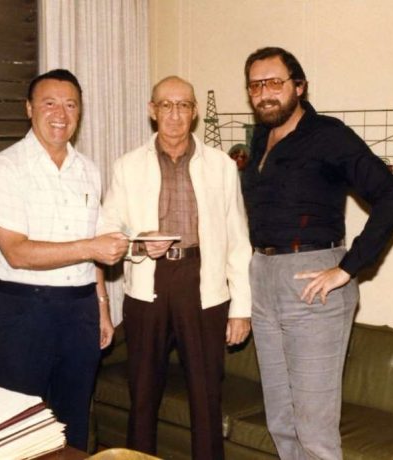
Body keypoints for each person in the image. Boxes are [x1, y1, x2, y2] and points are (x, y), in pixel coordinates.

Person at [241, 47, 393, 460]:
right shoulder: (261, 137)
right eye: (255, 85)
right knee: (281, 422)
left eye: (275, 83)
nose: (265, 93)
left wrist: (346, 269)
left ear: (299, 86)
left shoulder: (329, 135)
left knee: (314, 433)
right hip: (263, 281)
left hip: (312, 284)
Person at [99, 75, 252, 460]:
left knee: (206, 395)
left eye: (183, 105)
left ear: (195, 112)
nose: (174, 114)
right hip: (147, 285)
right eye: (166, 105)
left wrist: (242, 308)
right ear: (152, 111)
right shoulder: (126, 166)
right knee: (144, 392)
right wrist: (138, 245)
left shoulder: (221, 166)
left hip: (204, 281)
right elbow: (108, 234)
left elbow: (238, 241)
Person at [0, 69, 128, 451]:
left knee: (73, 421)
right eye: (49, 103)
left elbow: (95, 247)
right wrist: (91, 248)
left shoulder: (89, 171)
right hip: (21, 309)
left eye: (70, 105)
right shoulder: (5, 167)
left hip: (79, 309)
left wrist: (102, 306)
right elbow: (17, 252)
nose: (60, 113)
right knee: (17, 426)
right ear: (29, 109)